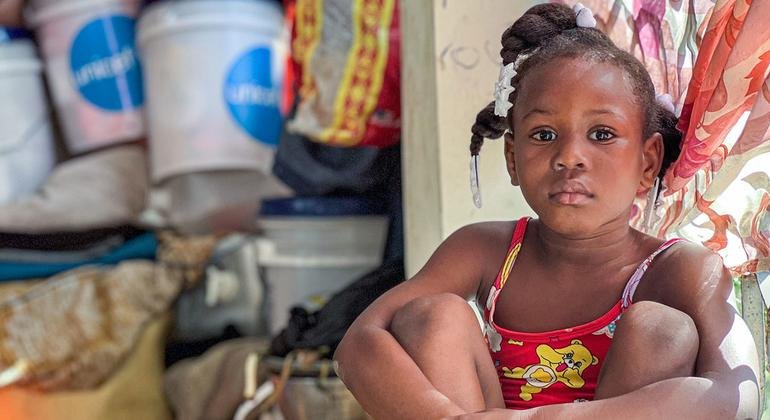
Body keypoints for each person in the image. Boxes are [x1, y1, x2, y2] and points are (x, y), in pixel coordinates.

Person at [333, 3, 761, 419]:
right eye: (543, 134)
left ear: (648, 162)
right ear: (513, 158)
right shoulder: (484, 250)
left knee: (664, 329)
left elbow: (738, 397)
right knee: (432, 316)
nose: (569, 156)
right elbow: (356, 345)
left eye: (602, 133)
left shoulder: (680, 270)